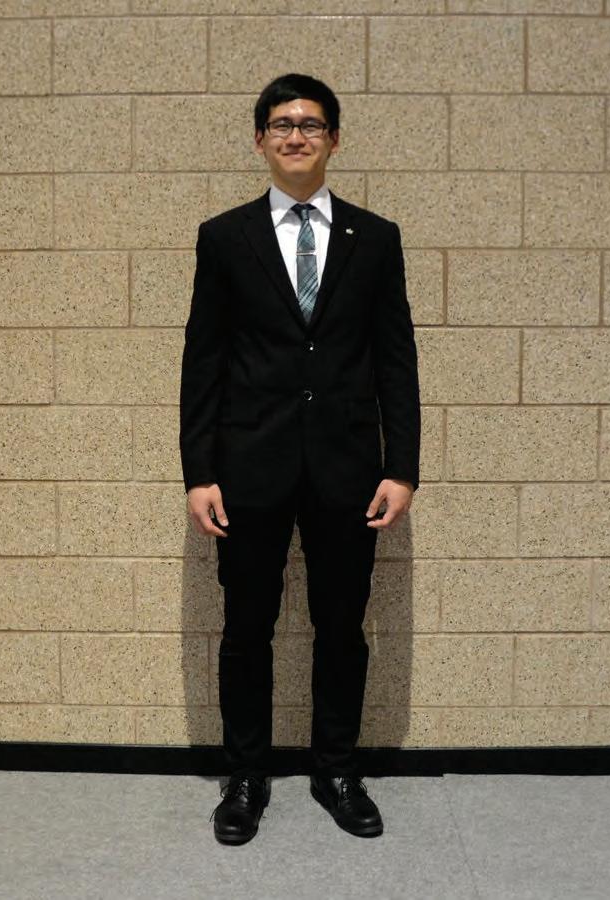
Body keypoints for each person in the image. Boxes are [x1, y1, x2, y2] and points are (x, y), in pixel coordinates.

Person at [179, 72, 421, 845]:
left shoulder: (374, 238)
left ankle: (336, 771)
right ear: (259, 140)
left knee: (341, 626)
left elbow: (395, 359)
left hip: (348, 469)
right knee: (246, 627)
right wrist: (198, 472)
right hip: (248, 465)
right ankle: (246, 777)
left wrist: (401, 467)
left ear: (333, 140)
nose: (295, 136)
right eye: (281, 124)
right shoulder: (225, 237)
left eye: (310, 124)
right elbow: (203, 360)